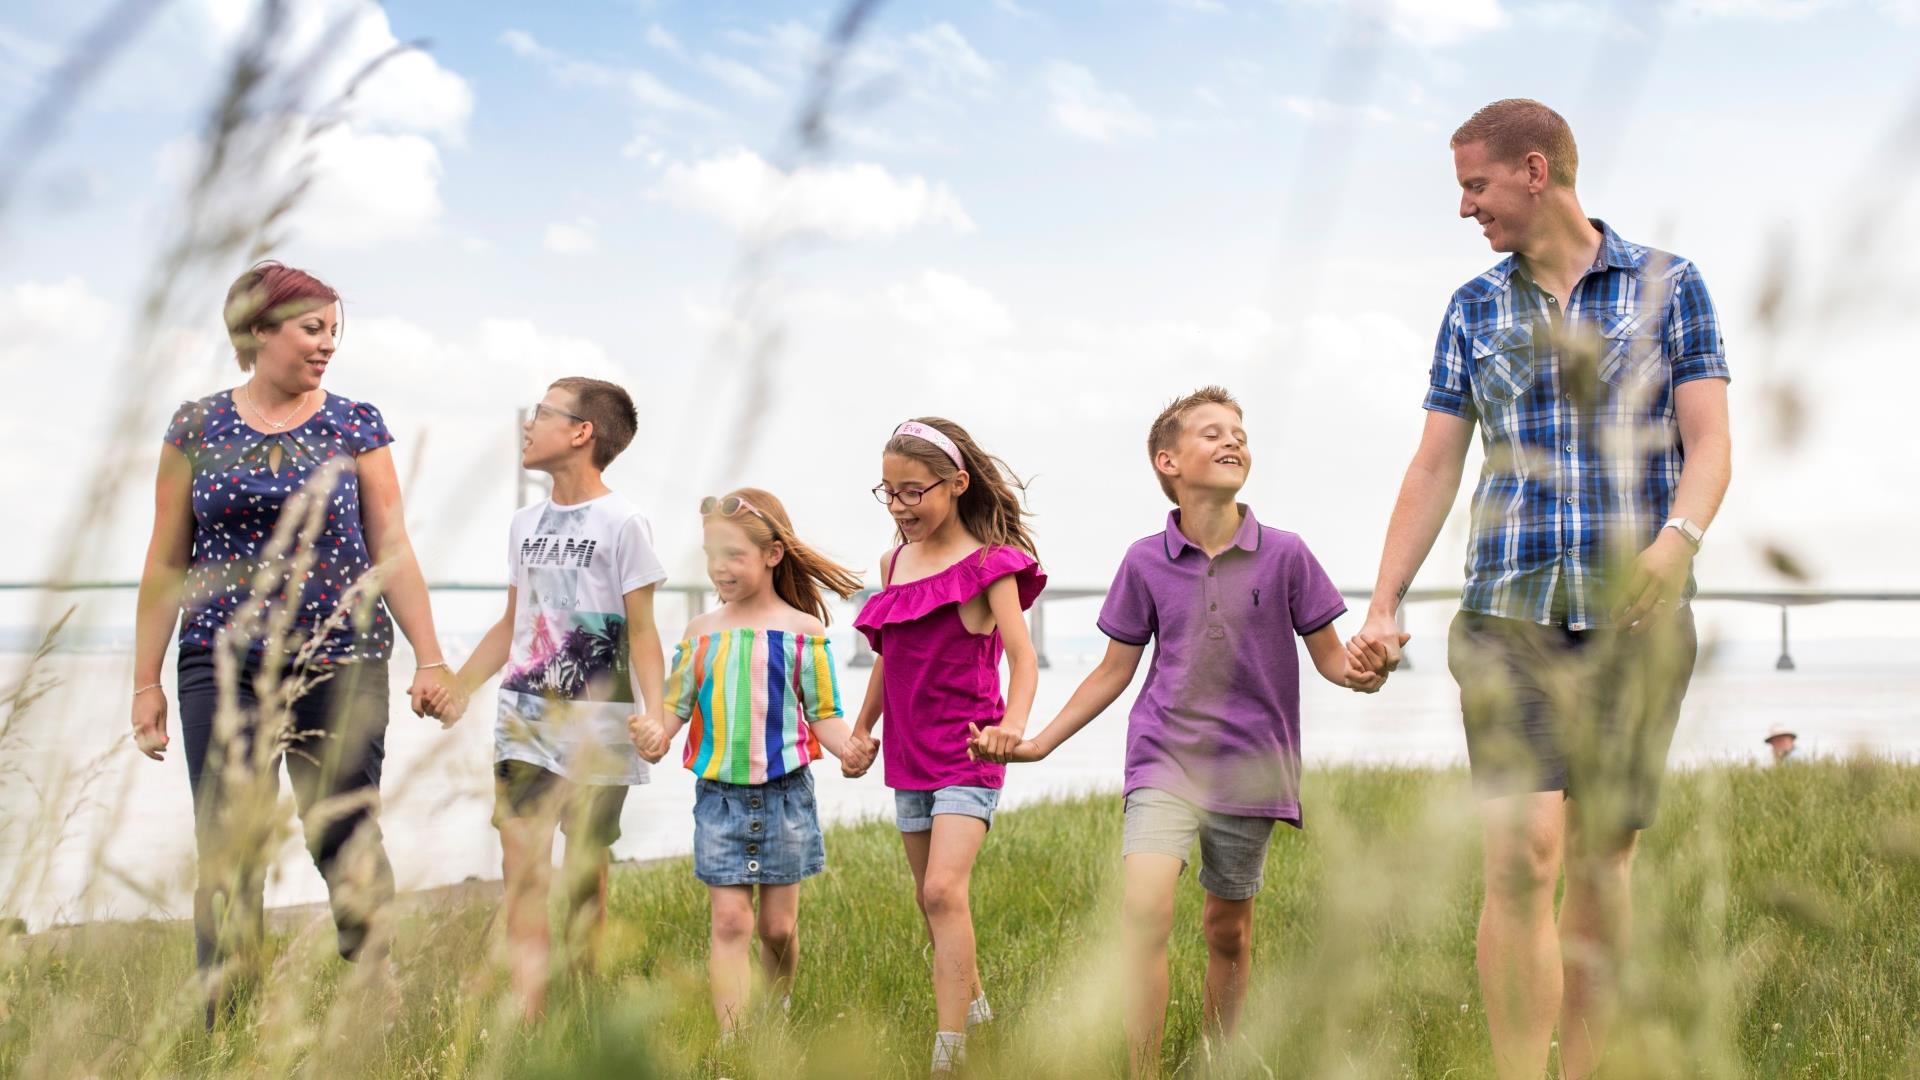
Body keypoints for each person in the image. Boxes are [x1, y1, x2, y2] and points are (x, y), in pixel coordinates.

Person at [1348, 99, 1732, 1079]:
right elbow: (1434, 465)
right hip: (1506, 619)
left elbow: (1712, 442)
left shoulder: (1670, 287)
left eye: (1474, 186)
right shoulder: (1474, 308)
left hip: (1635, 621)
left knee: (1603, 863)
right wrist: (1385, 601)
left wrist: (1676, 543)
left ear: (1534, 169)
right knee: (1523, 854)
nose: (1466, 208)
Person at [970, 386, 1385, 1075]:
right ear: (1169, 461)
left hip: (1253, 767)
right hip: (1164, 758)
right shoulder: (1145, 561)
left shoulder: (1286, 555)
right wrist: (1038, 741)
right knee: (1144, 913)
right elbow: (1112, 671)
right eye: (1211, 433)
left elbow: (1336, 662)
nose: (1232, 442)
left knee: (1228, 931)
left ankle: (1221, 1060)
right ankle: (1143, 1069)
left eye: (1239, 434)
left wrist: (1367, 672)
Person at [129, 260, 457, 1020]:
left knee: (340, 826)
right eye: (313, 328)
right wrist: (146, 681)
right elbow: (166, 558)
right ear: (257, 329)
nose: (328, 345)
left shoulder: (355, 423)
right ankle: (228, 1019)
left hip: (339, 659)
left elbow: (392, 546)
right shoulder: (195, 426)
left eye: (335, 331)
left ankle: (375, 980)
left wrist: (431, 657)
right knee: (227, 842)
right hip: (219, 659)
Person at [447, 377, 666, 1020]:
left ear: (581, 433)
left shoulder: (625, 522)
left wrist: (655, 714)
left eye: (541, 412)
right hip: (525, 717)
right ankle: (530, 1012)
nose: (528, 423)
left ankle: (583, 991)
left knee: (583, 875)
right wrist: (459, 688)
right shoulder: (523, 524)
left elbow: (643, 630)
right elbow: (513, 621)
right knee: (522, 866)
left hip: (600, 724)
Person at [629, 488, 873, 1033]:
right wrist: (654, 734)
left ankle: (777, 1010)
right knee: (732, 922)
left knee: (777, 930)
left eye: (733, 554)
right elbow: (673, 710)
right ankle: (733, 1040)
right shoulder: (699, 635)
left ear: (772, 554)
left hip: (787, 796)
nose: (720, 568)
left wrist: (850, 750)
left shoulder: (804, 633)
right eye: (712, 554)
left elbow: (825, 715)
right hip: (719, 800)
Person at [851, 418, 1045, 1075]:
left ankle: (949, 1052)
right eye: (890, 493)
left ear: (957, 484)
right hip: (908, 754)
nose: (902, 507)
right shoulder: (894, 564)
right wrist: (861, 729)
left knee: (941, 891)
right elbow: (888, 655)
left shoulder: (992, 565)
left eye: (915, 492)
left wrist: (1012, 727)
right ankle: (981, 1010)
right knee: (929, 898)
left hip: (970, 752)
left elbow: (1023, 660)